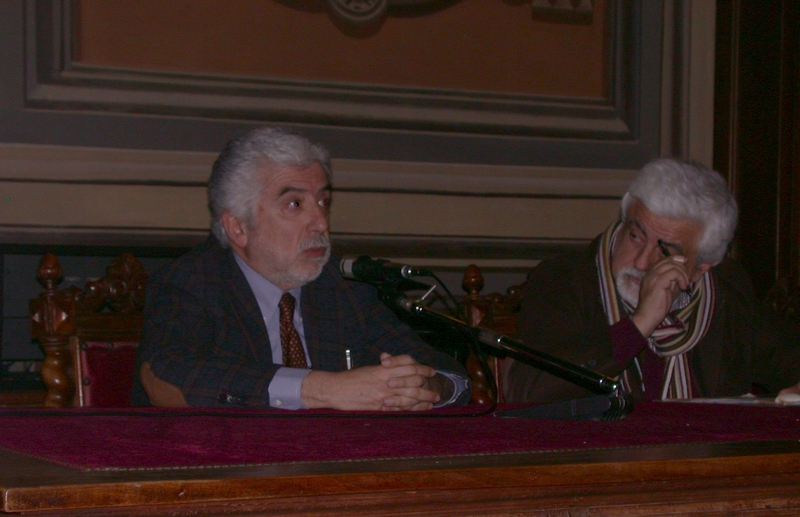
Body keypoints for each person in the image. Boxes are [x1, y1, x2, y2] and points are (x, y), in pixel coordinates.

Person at [134, 127, 470, 410]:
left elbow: (451, 375)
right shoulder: (191, 281)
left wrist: (426, 386)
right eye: (295, 204)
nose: (321, 222)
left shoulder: (343, 287)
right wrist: (324, 389)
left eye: (324, 201)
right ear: (238, 227)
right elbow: (168, 373)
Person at [505, 158, 800, 404]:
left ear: (700, 268)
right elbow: (530, 389)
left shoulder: (725, 291)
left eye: (666, 252)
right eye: (635, 236)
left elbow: (787, 359)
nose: (642, 262)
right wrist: (639, 324)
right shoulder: (565, 280)